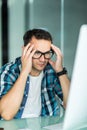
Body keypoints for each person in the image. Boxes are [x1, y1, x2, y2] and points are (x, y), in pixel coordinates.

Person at [0, 28, 70, 120]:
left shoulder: (51, 71)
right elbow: (6, 114)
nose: (43, 59)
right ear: (25, 50)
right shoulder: (9, 71)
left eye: (47, 53)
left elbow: (70, 106)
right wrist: (24, 72)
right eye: (37, 53)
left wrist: (60, 71)